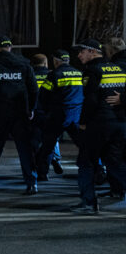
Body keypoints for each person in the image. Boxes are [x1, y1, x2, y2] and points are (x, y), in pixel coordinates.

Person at [0, 36, 38, 194]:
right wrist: (31, 108)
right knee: (24, 148)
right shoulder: (24, 64)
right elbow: (34, 89)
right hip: (20, 113)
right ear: (10, 47)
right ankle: (31, 182)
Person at [72, 39, 126, 214]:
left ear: (92, 52)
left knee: (86, 162)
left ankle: (88, 203)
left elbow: (91, 101)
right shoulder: (119, 68)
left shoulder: (92, 71)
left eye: (82, 52)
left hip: (99, 124)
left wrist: (82, 122)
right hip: (119, 123)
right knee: (115, 163)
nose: (79, 55)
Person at [34, 49, 83, 181]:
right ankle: (96, 170)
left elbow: (43, 96)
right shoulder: (79, 73)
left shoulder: (55, 74)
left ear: (56, 61)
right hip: (76, 115)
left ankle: (42, 173)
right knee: (83, 145)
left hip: (58, 115)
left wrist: (46, 112)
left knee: (48, 146)